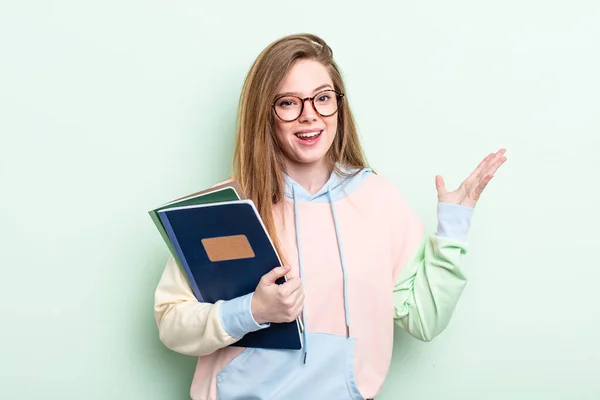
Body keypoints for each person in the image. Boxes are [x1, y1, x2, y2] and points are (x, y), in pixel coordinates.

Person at [153, 33, 507, 400]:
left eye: (323, 98)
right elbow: (171, 324)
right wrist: (252, 310)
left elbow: (424, 319)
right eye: (288, 103)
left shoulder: (378, 199)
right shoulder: (226, 209)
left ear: (339, 106)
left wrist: (455, 224)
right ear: (265, 114)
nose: (310, 115)